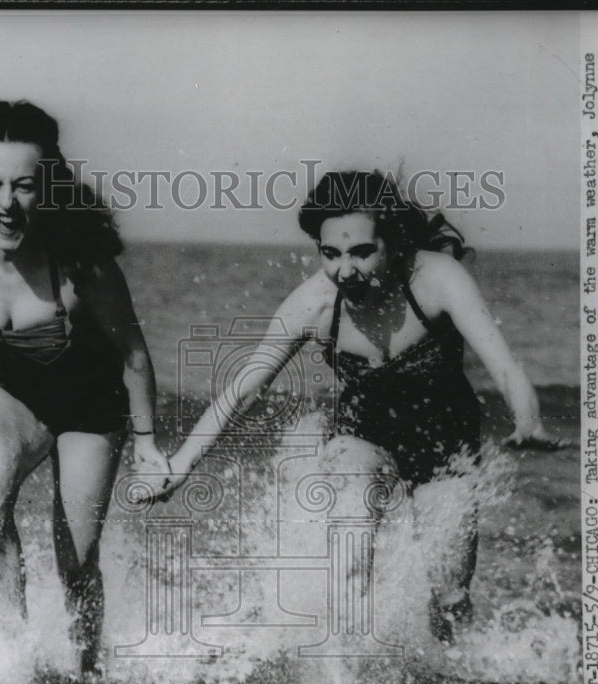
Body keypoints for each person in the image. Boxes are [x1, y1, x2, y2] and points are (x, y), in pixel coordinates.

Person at [139, 170, 568, 643]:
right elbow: (242, 388)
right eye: (331, 254)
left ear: (393, 240)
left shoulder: (438, 279)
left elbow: (503, 362)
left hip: (446, 443)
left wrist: (529, 420)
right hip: (363, 435)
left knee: (450, 594)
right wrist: (178, 466)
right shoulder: (316, 304)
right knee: (349, 554)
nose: (345, 270)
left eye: (362, 252)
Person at [0, 100, 167, 673]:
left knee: (74, 558)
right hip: (11, 389)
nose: (7, 203)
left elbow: (133, 354)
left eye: (24, 186)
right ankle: (12, 667)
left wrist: (147, 444)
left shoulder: (83, 265)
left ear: (46, 184)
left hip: (89, 404)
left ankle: (83, 676)